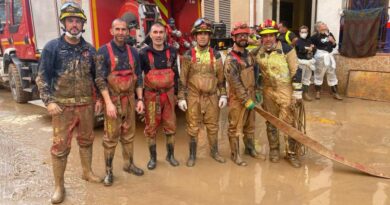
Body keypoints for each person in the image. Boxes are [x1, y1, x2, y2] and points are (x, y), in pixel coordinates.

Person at [36, 2, 101, 203]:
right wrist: (48, 102)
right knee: (60, 147)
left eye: (78, 21)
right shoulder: (52, 48)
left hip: (86, 105)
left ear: (83, 25)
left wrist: (98, 98)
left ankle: (87, 172)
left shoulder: (90, 50)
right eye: (70, 20)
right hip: (62, 107)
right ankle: (59, 186)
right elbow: (42, 77)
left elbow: (97, 76)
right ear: (64, 23)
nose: (74, 24)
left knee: (87, 140)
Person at [95, 19, 144, 186]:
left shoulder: (134, 52)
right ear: (111, 31)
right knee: (110, 137)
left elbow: (138, 77)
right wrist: (107, 102)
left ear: (128, 31)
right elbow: (100, 80)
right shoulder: (103, 51)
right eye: (118, 29)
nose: (121, 32)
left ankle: (128, 164)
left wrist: (140, 100)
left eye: (124, 29)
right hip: (113, 100)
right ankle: (109, 172)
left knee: (129, 135)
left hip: (130, 99)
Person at [178, 18, 227, 167]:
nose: (203, 36)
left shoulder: (216, 55)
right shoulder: (188, 55)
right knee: (192, 126)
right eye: (200, 34)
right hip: (193, 97)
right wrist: (181, 97)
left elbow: (221, 78)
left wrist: (223, 94)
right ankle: (192, 155)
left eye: (206, 33)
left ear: (209, 36)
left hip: (212, 97)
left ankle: (214, 152)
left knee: (213, 126)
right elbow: (183, 79)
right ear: (195, 36)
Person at [255, 19, 303, 168]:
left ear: (276, 35)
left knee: (288, 121)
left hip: (285, 89)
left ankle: (291, 153)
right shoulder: (258, 51)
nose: (268, 38)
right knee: (271, 121)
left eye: (271, 35)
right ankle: (274, 150)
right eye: (265, 35)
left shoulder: (287, 49)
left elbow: (296, 70)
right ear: (261, 37)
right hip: (268, 90)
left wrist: (298, 91)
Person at [139, 22, 180, 170]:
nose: (158, 35)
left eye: (161, 32)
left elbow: (176, 74)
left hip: (168, 95)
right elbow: (138, 77)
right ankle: (153, 158)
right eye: (155, 32)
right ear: (150, 35)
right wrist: (139, 99)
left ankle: (170, 156)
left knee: (171, 126)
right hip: (151, 96)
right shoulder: (143, 53)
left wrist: (177, 95)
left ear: (165, 34)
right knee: (151, 128)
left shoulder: (173, 51)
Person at [224, 22, 264, 166]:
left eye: (245, 35)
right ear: (234, 38)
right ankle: (235, 155)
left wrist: (258, 90)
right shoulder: (230, 59)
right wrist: (245, 99)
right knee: (235, 127)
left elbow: (256, 73)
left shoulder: (249, 55)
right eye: (239, 36)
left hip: (251, 95)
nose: (243, 38)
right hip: (238, 99)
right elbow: (234, 82)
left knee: (250, 126)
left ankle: (250, 149)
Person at [310, 21, 342, 100]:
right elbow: (311, 47)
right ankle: (317, 92)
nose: (325, 24)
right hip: (320, 58)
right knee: (319, 74)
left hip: (329, 57)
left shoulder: (330, 35)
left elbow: (334, 46)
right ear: (318, 28)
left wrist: (332, 41)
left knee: (332, 74)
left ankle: (335, 93)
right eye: (323, 24)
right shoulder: (315, 37)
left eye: (325, 24)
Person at [296, 25, 316, 101]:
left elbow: (314, 49)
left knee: (307, 79)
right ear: (299, 32)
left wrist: (311, 48)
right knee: (299, 79)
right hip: (301, 63)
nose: (304, 33)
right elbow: (300, 49)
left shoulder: (309, 41)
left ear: (307, 32)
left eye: (305, 32)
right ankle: (298, 95)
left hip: (309, 62)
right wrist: (308, 48)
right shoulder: (298, 41)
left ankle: (305, 94)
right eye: (302, 32)